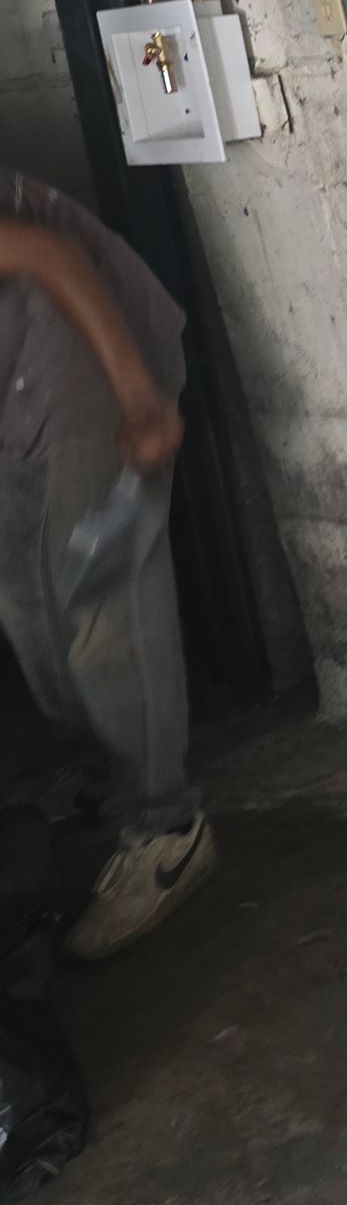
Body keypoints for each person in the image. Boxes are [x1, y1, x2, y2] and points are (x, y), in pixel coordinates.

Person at [0, 169, 213, 959]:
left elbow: (47, 254)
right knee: (23, 599)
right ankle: (107, 764)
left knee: (102, 599)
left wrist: (137, 399)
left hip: (78, 347)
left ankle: (167, 829)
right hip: (5, 378)